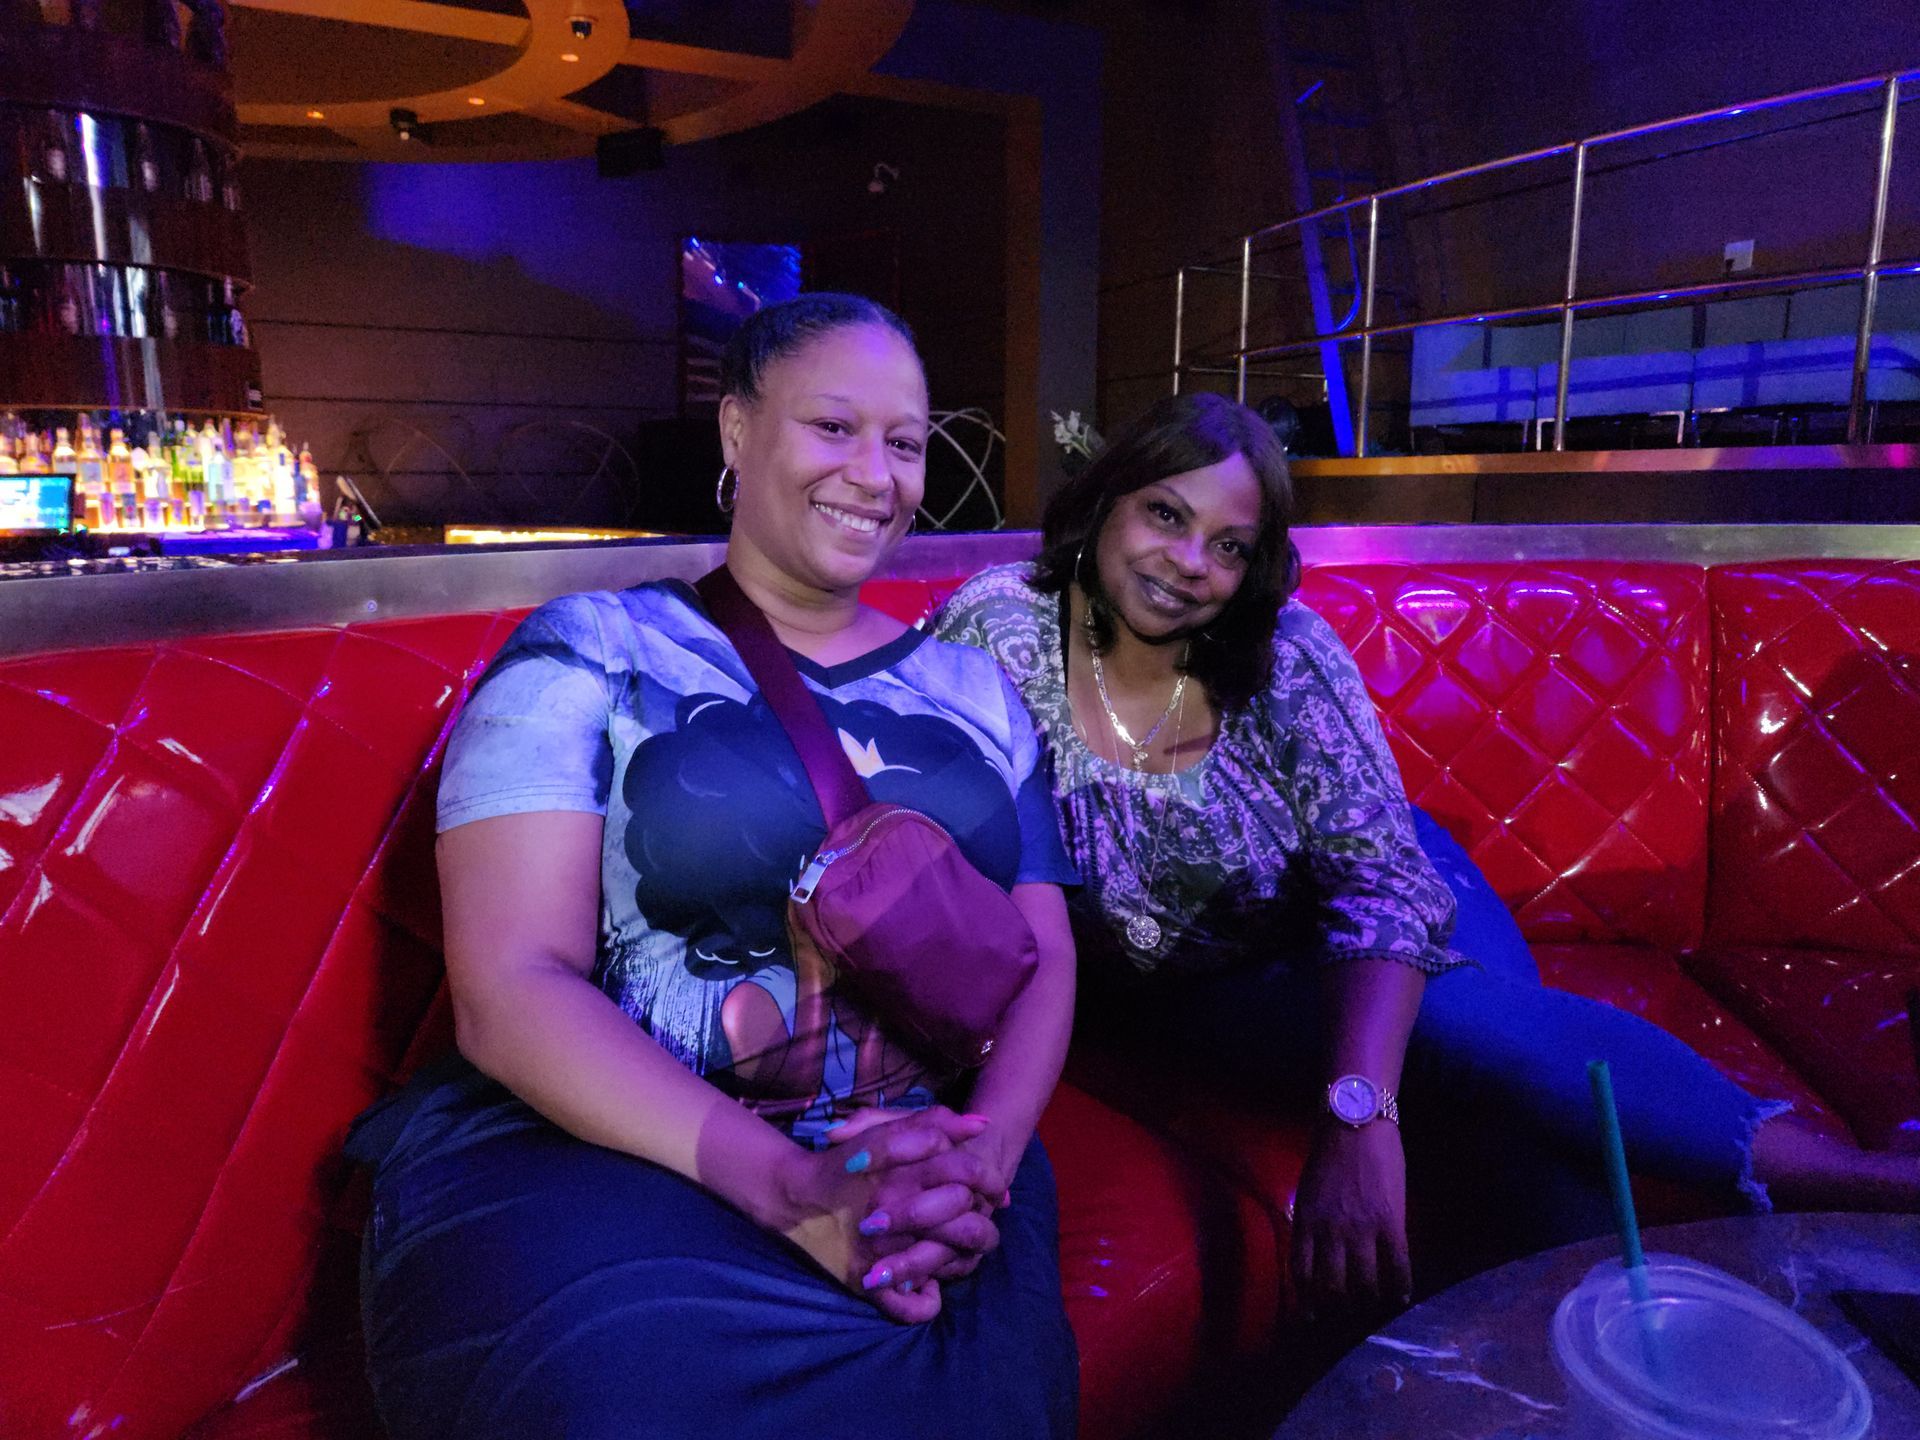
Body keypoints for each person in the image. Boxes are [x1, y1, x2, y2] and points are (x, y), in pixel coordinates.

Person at [934, 390, 1920, 1318]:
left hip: (1380, 890)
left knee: (1462, 1035)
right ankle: (1644, 1330)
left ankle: (1843, 1182)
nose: (1190, 561)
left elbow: (1377, 882)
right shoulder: (1001, 626)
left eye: (1229, 546)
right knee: (1489, 1092)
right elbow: (932, 819)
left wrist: (1357, 1115)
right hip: (1191, 989)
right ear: (1107, 498)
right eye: (1165, 514)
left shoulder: (1283, 650)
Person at [349, 293, 1079, 1440]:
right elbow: (510, 986)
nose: (876, 474)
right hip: (613, 1160)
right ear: (737, 430)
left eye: (904, 443)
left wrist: (984, 1152)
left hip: (925, 1155)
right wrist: (794, 1189)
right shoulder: (589, 650)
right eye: (834, 427)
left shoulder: (978, 691)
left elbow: (1045, 952)